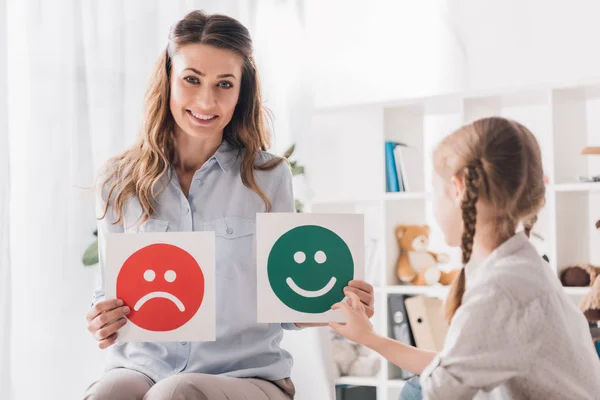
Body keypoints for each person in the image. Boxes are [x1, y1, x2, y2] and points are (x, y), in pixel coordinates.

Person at [84, 10, 374, 400]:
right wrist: (103, 318)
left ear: (242, 92)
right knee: (110, 393)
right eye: (191, 79)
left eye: (225, 84)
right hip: (143, 367)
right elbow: (109, 293)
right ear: (168, 78)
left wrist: (335, 303)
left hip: (246, 375)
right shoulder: (117, 180)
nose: (207, 100)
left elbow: (284, 304)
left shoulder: (269, 176)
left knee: (175, 393)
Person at [330, 117, 600, 399]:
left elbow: (439, 392)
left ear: (458, 189)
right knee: (415, 386)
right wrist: (369, 338)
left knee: (414, 391)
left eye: (435, 191)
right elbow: (449, 368)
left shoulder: (502, 288)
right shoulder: (522, 265)